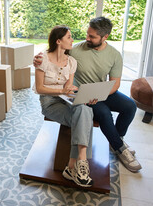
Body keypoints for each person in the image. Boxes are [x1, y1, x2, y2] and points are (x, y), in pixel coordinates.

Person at [34, 17, 142, 173]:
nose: (87, 38)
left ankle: (117, 139)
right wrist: (37, 60)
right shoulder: (75, 50)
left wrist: (100, 95)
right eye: (87, 34)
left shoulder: (114, 55)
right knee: (104, 113)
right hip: (83, 93)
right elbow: (53, 53)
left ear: (105, 37)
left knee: (130, 106)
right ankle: (121, 150)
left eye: (92, 37)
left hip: (104, 91)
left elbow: (115, 84)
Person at [34, 25, 95, 187]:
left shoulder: (72, 62)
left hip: (67, 100)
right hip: (50, 103)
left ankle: (76, 164)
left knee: (84, 109)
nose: (73, 40)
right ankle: (73, 166)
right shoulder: (42, 59)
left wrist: (75, 91)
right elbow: (39, 88)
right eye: (69, 37)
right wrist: (62, 90)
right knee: (85, 119)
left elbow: (69, 88)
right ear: (58, 41)